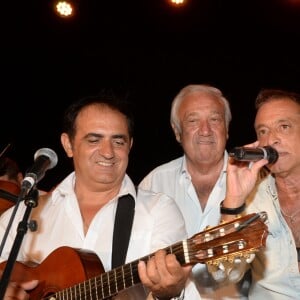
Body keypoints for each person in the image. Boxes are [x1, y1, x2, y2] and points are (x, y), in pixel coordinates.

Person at [0, 91, 197, 299]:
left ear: (130, 145)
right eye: (94, 140)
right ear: (68, 144)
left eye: (118, 141)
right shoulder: (26, 213)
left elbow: (167, 285)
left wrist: (166, 292)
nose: (108, 152)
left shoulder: (158, 211)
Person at [139, 84, 249, 298]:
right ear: (177, 131)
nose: (205, 130)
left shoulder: (255, 182)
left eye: (215, 119)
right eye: (193, 120)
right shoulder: (153, 184)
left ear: (227, 128)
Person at [221, 88, 300, 299]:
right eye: (262, 131)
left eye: (284, 127)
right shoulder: (251, 197)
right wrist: (233, 201)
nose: (271, 139)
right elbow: (226, 275)